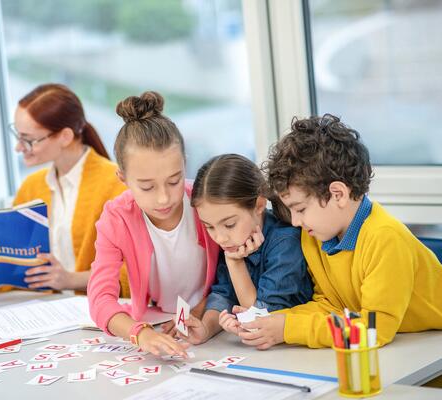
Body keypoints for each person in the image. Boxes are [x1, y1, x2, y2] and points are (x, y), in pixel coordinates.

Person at [240, 114, 442, 349]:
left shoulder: (385, 238)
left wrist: (289, 329)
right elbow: (331, 306)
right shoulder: (315, 235)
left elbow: (374, 331)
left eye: (301, 209)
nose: (295, 221)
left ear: (338, 194)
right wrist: (270, 323)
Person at [87, 91, 219, 357]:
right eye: (146, 187)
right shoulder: (116, 218)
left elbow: (235, 272)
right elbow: (100, 298)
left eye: (174, 180)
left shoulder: (208, 201)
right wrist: (140, 333)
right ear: (122, 178)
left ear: (185, 164)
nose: (164, 197)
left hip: (215, 322)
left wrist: (200, 312)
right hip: (156, 325)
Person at [180, 154, 313, 345]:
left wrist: (235, 263)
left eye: (230, 224)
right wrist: (205, 329)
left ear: (259, 205)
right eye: (209, 226)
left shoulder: (285, 242)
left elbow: (260, 317)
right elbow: (223, 295)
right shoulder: (234, 241)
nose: (220, 237)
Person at [12, 83, 128, 294]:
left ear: (65, 136)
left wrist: (70, 280)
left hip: (97, 312)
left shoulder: (117, 185)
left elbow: (135, 270)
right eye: (18, 136)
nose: (19, 147)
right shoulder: (31, 187)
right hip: (41, 309)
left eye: (28, 140)